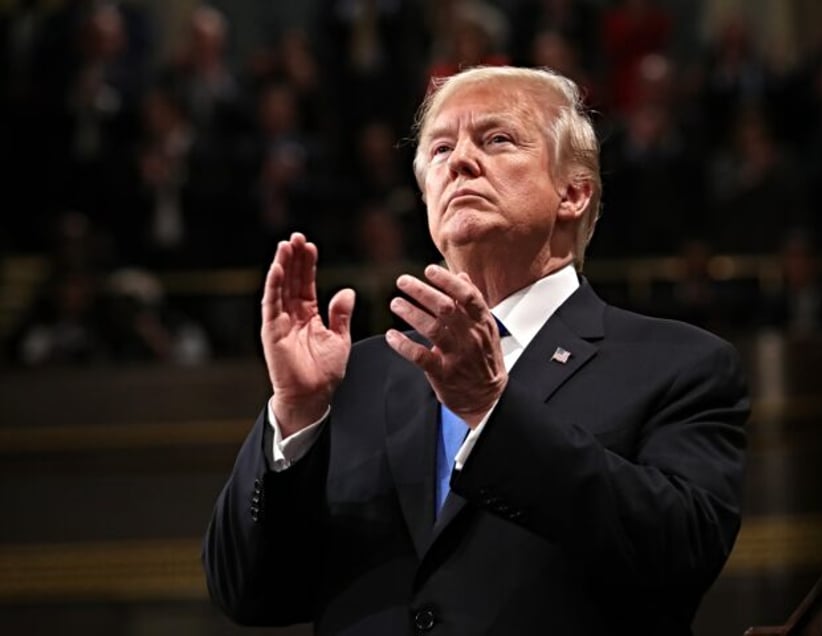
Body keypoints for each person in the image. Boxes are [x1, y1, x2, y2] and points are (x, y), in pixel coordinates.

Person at [202, 66, 749, 635]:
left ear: (574, 192)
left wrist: (493, 411)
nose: (459, 161)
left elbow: (682, 554)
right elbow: (248, 594)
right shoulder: (351, 376)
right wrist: (295, 415)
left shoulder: (678, 364)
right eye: (440, 149)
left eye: (497, 140)